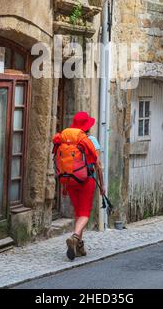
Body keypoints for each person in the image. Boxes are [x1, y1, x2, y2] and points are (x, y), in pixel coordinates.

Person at [53, 111, 105, 261]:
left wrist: (63, 186)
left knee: (78, 212)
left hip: (69, 180)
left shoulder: (66, 140)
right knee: (84, 213)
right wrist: (102, 186)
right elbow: (98, 165)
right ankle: (75, 237)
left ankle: (79, 247)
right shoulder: (90, 140)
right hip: (86, 180)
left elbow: (63, 164)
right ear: (87, 126)